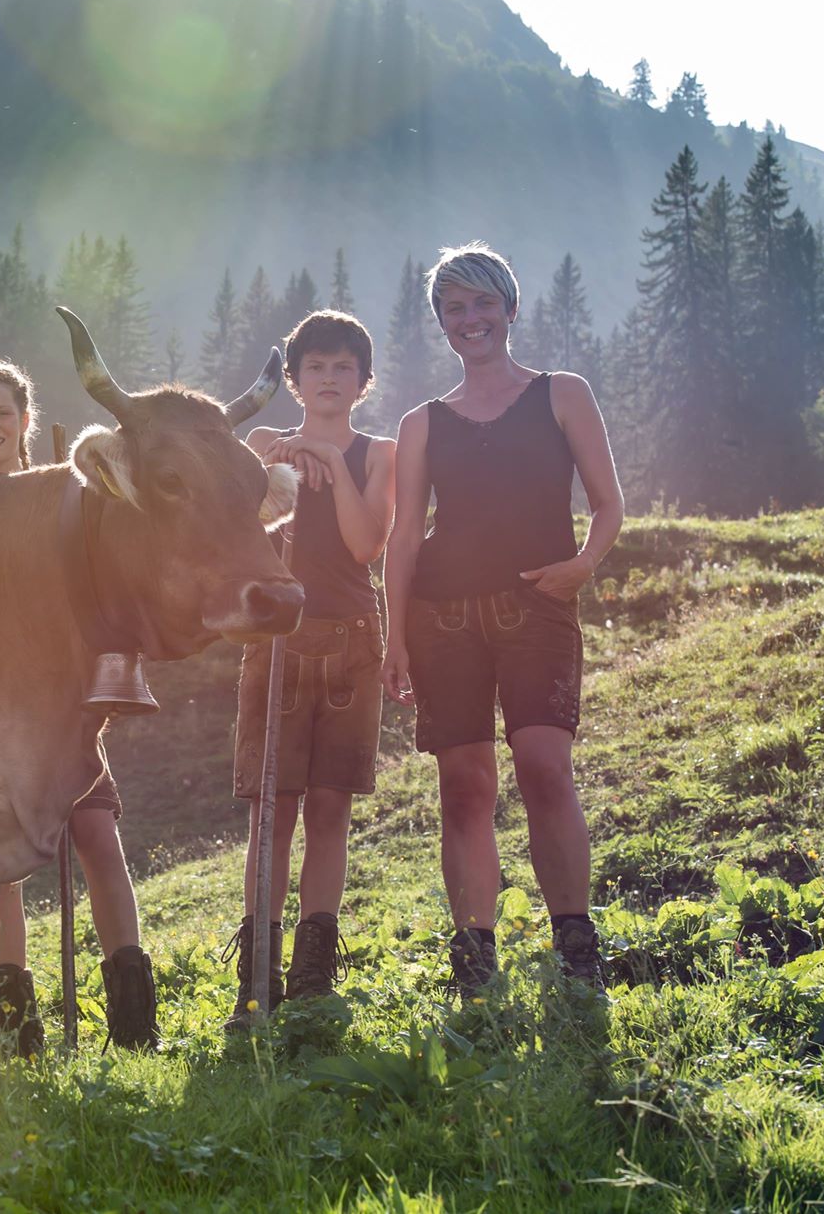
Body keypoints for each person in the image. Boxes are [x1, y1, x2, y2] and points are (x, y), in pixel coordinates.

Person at [380, 242, 624, 998]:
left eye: (484, 302)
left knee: (546, 770)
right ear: (442, 325)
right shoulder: (422, 422)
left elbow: (609, 505)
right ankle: (474, 955)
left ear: (511, 309)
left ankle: (575, 941)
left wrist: (581, 567)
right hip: (441, 618)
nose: (470, 318)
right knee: (464, 785)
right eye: (454, 308)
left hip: (537, 611)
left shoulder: (563, 393)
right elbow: (401, 535)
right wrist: (393, 637)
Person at [0, 359, 158, 1052]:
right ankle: (18, 1021)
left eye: (2, 412)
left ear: (26, 419)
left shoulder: (67, 495)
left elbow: (103, 587)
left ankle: (133, 1019)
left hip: (63, 701)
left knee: (97, 833)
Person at [229, 311, 397, 1027]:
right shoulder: (264, 445)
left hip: (352, 642)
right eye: (316, 367)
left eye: (343, 368)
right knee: (273, 811)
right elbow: (237, 530)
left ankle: (313, 979)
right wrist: (291, 466)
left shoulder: (379, 453)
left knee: (331, 809)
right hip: (277, 645)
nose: (329, 379)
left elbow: (365, 546)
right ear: (293, 379)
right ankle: (256, 980)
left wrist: (331, 470)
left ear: (363, 382)